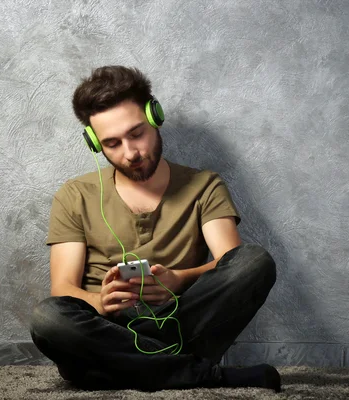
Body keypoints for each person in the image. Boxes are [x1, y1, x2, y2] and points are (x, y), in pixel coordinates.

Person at [29, 65, 281, 392]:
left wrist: (178, 279)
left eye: (136, 134)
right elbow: (63, 289)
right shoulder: (75, 195)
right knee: (48, 318)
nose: (131, 153)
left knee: (255, 261)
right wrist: (102, 302)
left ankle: (125, 369)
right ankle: (200, 375)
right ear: (95, 144)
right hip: (105, 328)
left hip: (179, 323)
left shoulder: (204, 186)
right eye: (113, 143)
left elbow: (230, 262)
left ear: (154, 116)